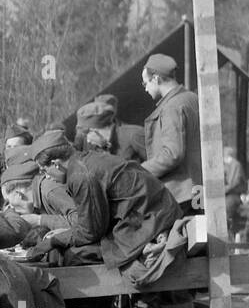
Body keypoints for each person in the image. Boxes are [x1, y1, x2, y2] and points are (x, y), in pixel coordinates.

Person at [31, 122, 183, 286]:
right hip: (151, 215)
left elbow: (90, 232)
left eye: (43, 170)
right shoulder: (87, 160)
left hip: (147, 223)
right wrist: (65, 233)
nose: (45, 176)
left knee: (72, 256)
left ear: (56, 164)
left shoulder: (81, 175)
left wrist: (54, 241)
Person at [140, 54, 202, 308]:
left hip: (178, 191)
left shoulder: (172, 107)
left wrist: (138, 172)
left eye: (145, 82)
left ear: (156, 78)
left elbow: (172, 153)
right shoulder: (191, 99)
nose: (144, 88)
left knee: (172, 250)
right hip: (196, 188)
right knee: (191, 249)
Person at [91, 94, 148, 162]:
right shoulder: (92, 138)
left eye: (102, 111)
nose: (98, 115)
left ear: (113, 111)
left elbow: (153, 161)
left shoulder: (132, 133)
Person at [223, 146, 246, 232]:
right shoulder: (228, 166)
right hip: (228, 195)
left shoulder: (235, 165)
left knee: (226, 208)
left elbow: (233, 184)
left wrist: (222, 191)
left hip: (234, 196)